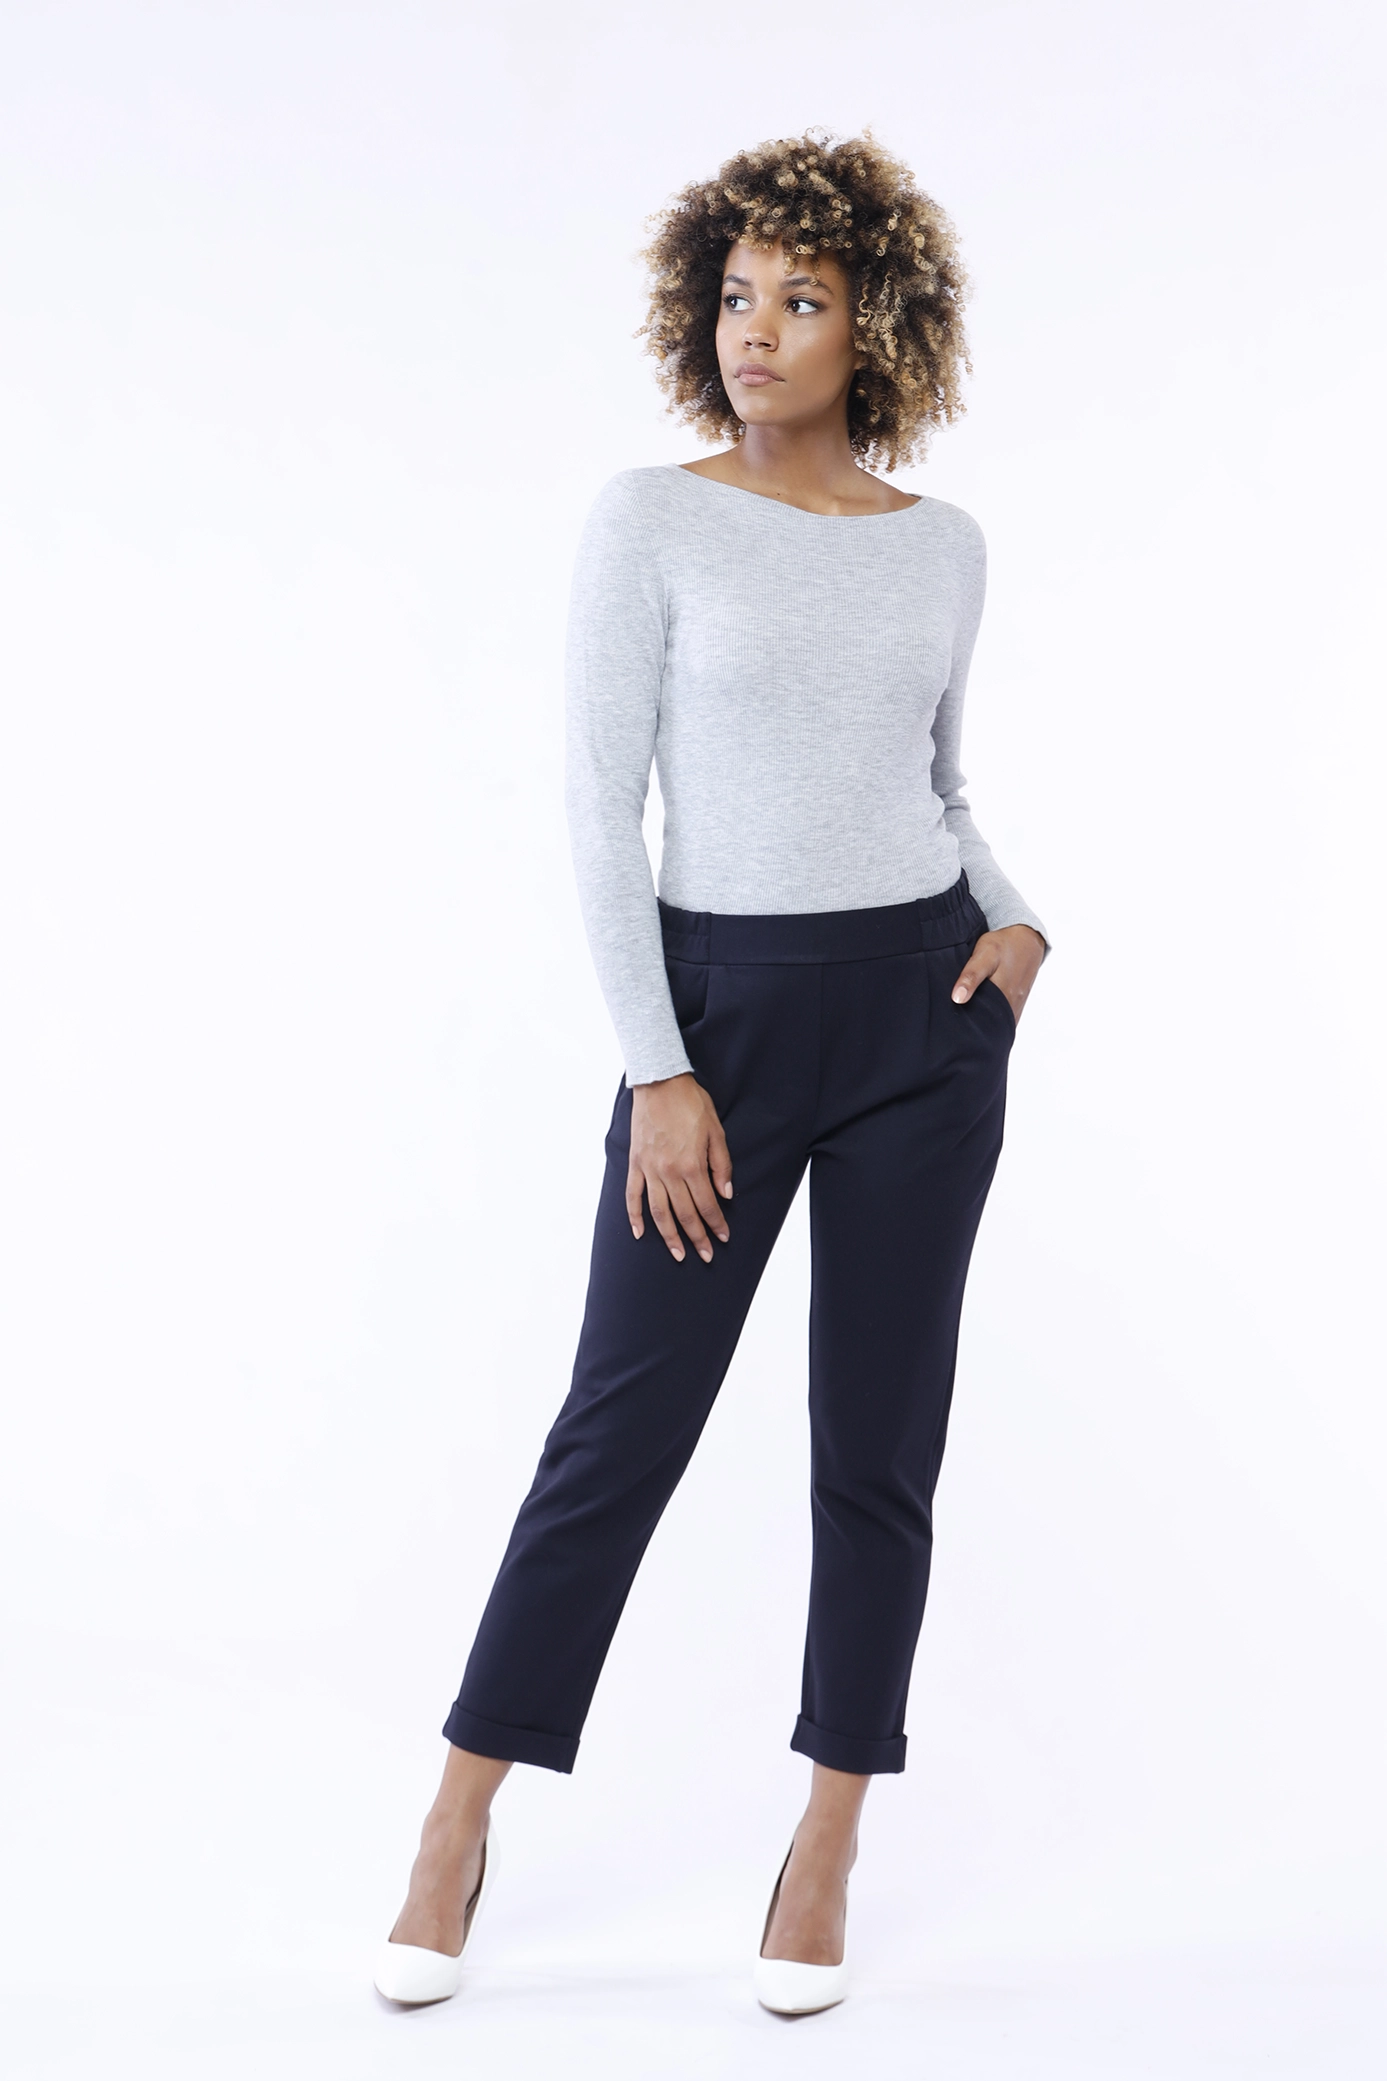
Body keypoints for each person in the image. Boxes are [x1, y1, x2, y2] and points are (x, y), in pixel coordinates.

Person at [373, 129, 1047, 2017]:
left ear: (874, 324)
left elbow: (937, 789)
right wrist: (658, 1074)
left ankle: (827, 1833)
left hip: (922, 1023)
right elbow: (604, 815)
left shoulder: (943, 548)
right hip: (717, 1031)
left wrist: (1016, 929)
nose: (758, 330)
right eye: (737, 295)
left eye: (801, 299)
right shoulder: (648, 522)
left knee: (877, 1447)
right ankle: (456, 1814)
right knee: (616, 1436)